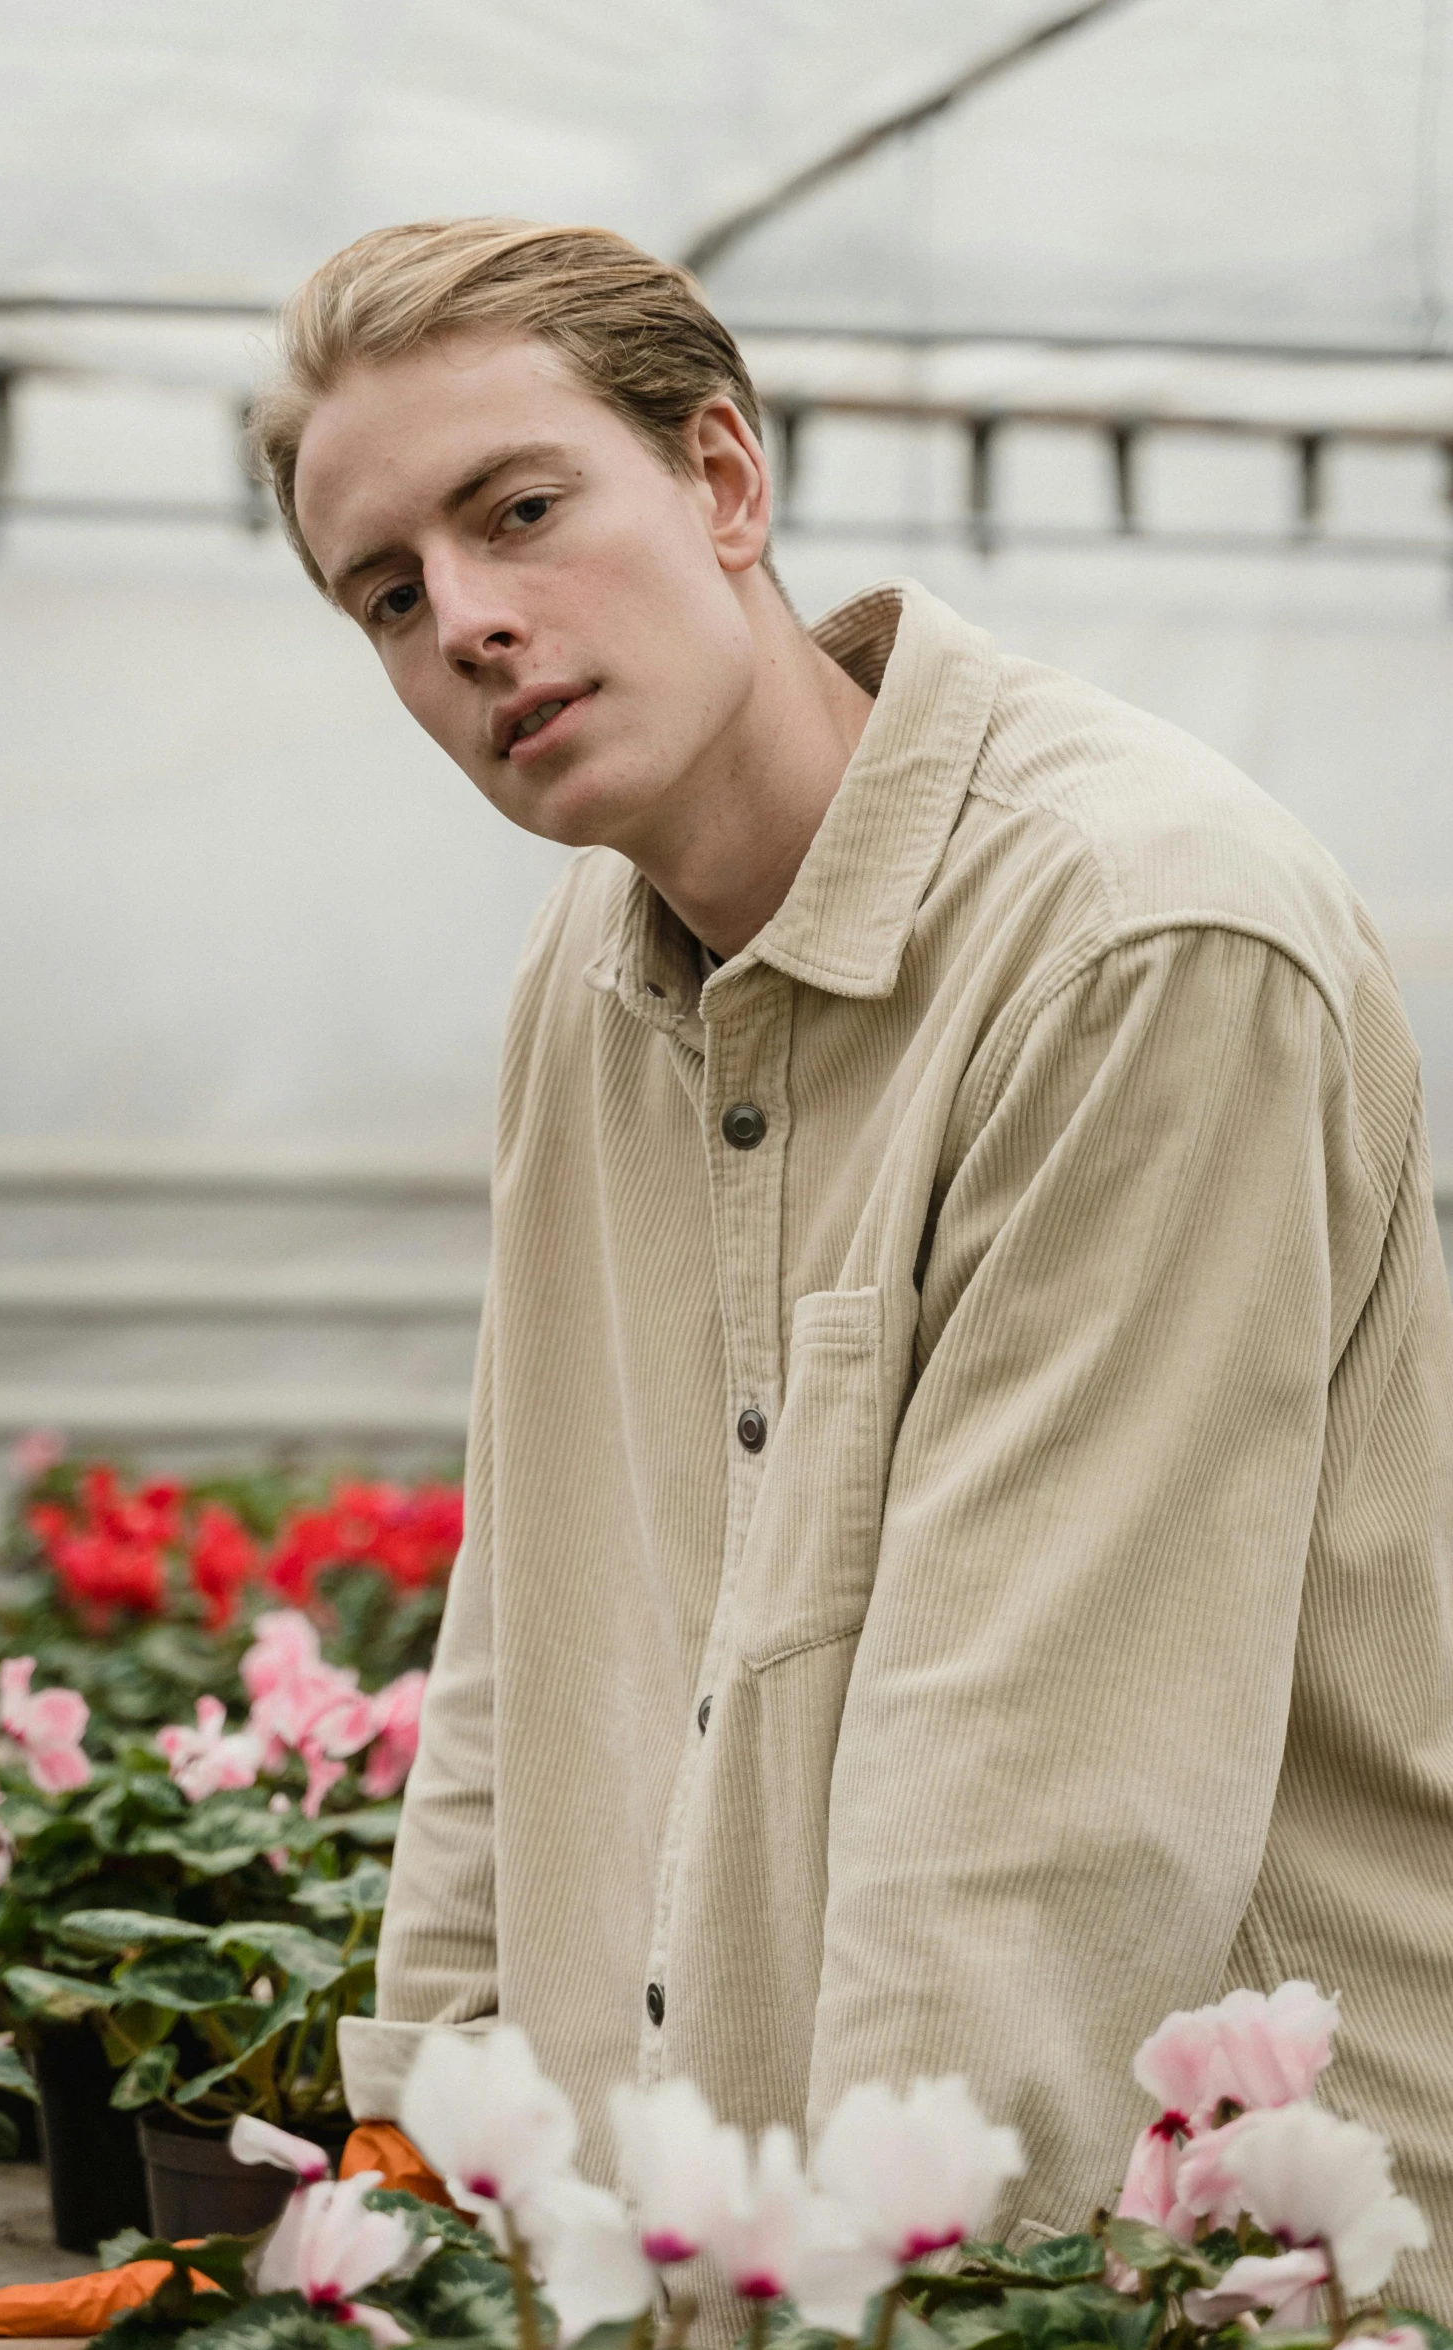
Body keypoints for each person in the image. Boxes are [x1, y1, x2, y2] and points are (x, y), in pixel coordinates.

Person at [251, 219, 1453, 2320]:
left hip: (1192, 2251)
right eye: (389, 595)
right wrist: (427, 2157)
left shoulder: (1137, 938)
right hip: (755, 2235)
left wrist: (864, 2294)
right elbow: (532, 1610)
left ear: (723, 480)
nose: (471, 621)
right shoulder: (593, 972)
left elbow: (1034, 1814)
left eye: (518, 510)